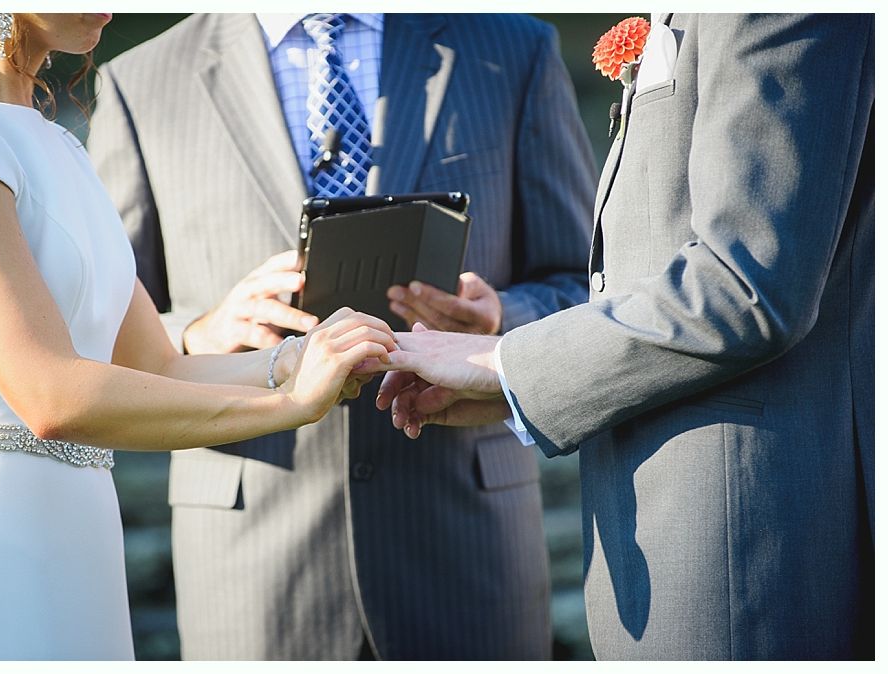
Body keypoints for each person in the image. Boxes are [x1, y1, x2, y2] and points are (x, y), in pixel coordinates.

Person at [87, 12, 595, 659]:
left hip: (464, 542)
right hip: (251, 551)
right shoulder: (141, 79)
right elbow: (95, 326)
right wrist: (198, 332)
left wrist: (500, 319)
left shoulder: (512, 47)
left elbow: (587, 286)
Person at [376, 13, 874, 659]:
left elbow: (745, 285)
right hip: (659, 515)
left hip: (744, 531)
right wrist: (512, 367)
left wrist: (510, 364)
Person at [0, 12, 395, 661]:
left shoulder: (59, 143)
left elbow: (157, 363)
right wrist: (289, 405)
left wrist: (299, 358)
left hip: (77, 533)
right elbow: (51, 396)